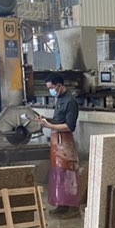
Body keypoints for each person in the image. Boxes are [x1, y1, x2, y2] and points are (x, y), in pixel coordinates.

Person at [36, 74, 80, 217]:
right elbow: (58, 120)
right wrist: (46, 120)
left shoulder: (70, 101)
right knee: (59, 174)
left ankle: (73, 208)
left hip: (65, 142)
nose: (50, 91)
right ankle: (62, 204)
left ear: (59, 85)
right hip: (57, 141)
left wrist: (49, 126)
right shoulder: (59, 98)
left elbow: (69, 126)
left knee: (69, 174)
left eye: (51, 88)